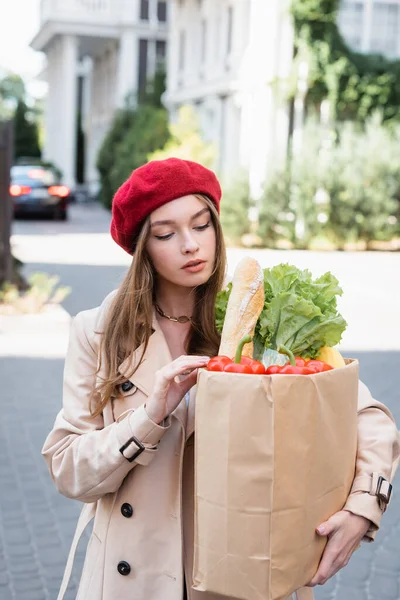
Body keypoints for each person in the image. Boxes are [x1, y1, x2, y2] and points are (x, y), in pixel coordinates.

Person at [42, 158, 399, 600]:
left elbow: (366, 415)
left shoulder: (265, 315)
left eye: (201, 224)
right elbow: (68, 468)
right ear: (142, 248)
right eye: (167, 233)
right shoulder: (98, 331)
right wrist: (149, 417)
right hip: (134, 580)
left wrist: (364, 507)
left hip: (248, 575)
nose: (191, 245)